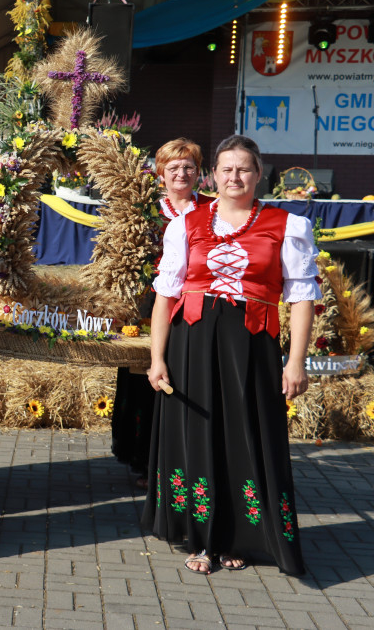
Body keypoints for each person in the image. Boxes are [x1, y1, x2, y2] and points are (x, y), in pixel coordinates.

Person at [143, 135, 318, 576]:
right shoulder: (185, 225)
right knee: (197, 435)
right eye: (226, 169)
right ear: (213, 175)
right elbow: (166, 296)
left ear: (259, 175)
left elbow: (301, 298)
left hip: (251, 346)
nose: (234, 177)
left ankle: (239, 537)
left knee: (246, 436)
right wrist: (157, 358)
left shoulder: (288, 225)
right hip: (192, 346)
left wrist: (295, 361)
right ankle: (201, 538)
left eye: (243, 169)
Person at [111, 138, 214, 486]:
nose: (182, 174)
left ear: (199, 173)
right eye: (174, 168)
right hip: (150, 302)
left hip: (199, 304)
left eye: (189, 167)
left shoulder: (213, 210)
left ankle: (184, 457)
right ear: (160, 174)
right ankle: (144, 459)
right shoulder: (145, 212)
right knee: (146, 378)